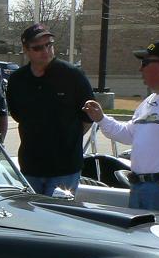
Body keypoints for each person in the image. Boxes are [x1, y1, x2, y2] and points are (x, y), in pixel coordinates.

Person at [7, 23, 94, 196]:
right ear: (26, 50)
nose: (45, 51)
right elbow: (17, 115)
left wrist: (67, 139)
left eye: (49, 45)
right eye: (38, 47)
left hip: (65, 169)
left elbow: (88, 117)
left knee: (58, 220)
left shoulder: (73, 76)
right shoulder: (18, 80)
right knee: (32, 221)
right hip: (31, 167)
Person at [84, 39, 159, 211]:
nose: (140, 69)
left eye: (145, 63)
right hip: (139, 188)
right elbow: (128, 134)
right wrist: (101, 118)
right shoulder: (150, 101)